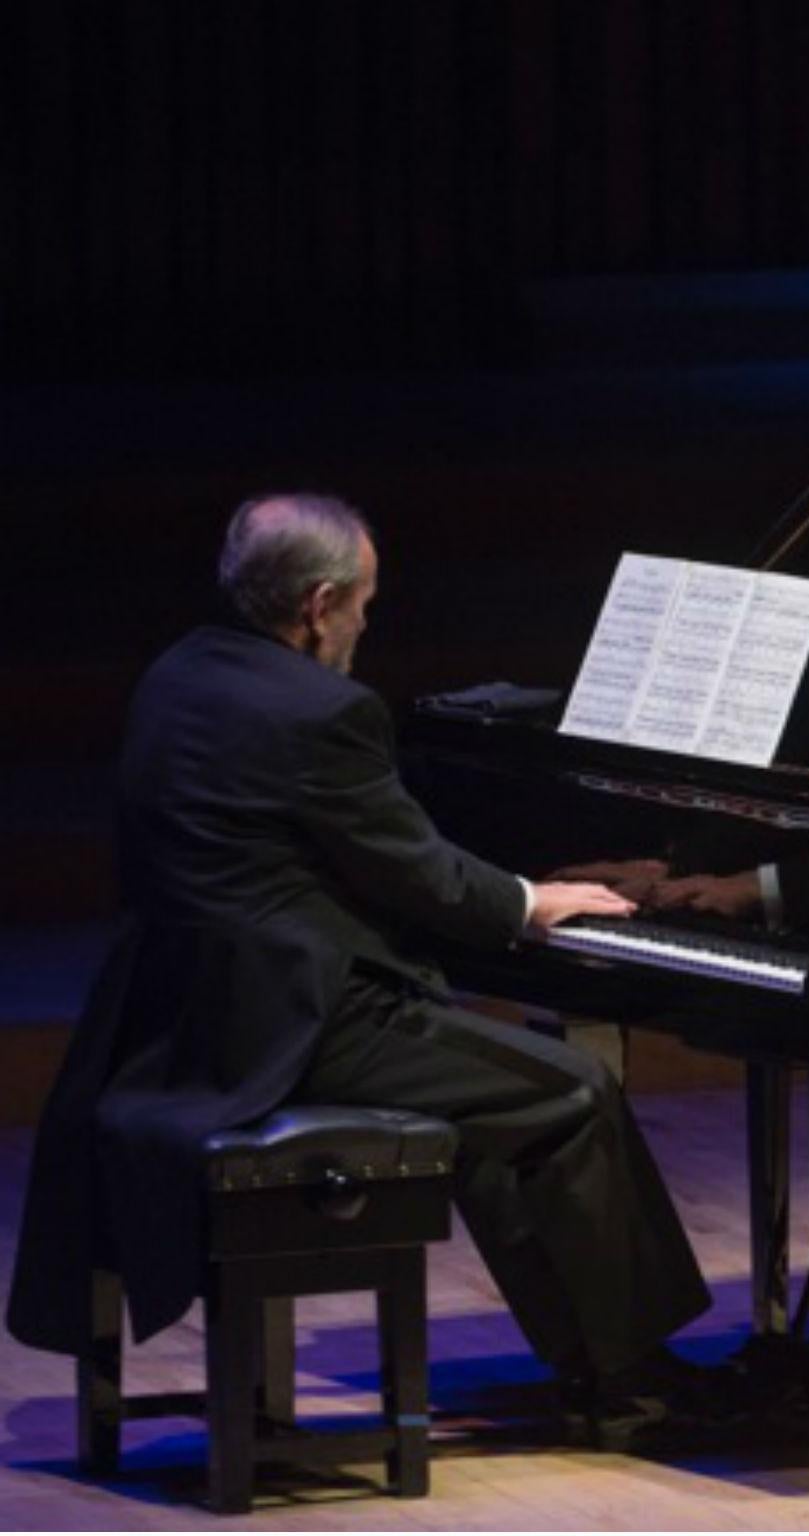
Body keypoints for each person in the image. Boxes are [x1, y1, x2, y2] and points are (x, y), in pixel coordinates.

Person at [8, 493, 717, 1447]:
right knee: (577, 1091)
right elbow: (416, 870)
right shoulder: (323, 711)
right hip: (287, 1026)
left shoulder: (181, 672)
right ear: (320, 602)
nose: (365, 628)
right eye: (365, 608)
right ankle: (636, 1377)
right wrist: (527, 903)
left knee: (504, 1106)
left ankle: (599, 1370)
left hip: (173, 1017)